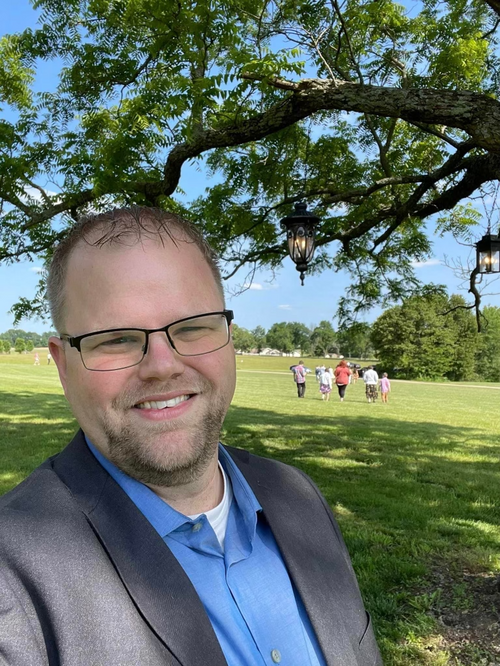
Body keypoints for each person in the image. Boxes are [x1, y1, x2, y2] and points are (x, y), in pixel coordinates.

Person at [0, 207, 381, 666]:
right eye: (116, 338)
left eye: (193, 327)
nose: (162, 366)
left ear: (228, 337)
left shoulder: (297, 494)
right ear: (63, 364)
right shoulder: (12, 574)